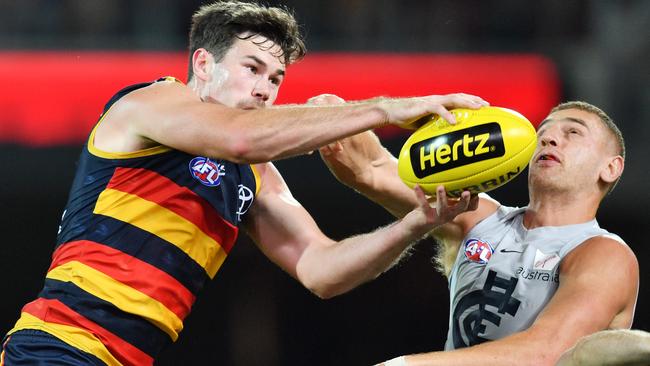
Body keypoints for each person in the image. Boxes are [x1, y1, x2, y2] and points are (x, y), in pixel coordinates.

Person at [0, 1, 491, 365]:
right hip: (59, 345)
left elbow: (322, 270)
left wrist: (416, 222)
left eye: (276, 78)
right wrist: (387, 107)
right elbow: (237, 139)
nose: (264, 89)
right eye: (252, 68)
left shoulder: (254, 177)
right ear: (202, 64)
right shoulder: (148, 104)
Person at [318, 100, 640, 365]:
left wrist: (403, 365)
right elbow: (369, 169)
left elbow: (546, 353)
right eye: (543, 131)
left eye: (572, 132)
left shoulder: (604, 255)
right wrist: (338, 113)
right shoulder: (476, 216)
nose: (550, 138)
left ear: (611, 167)